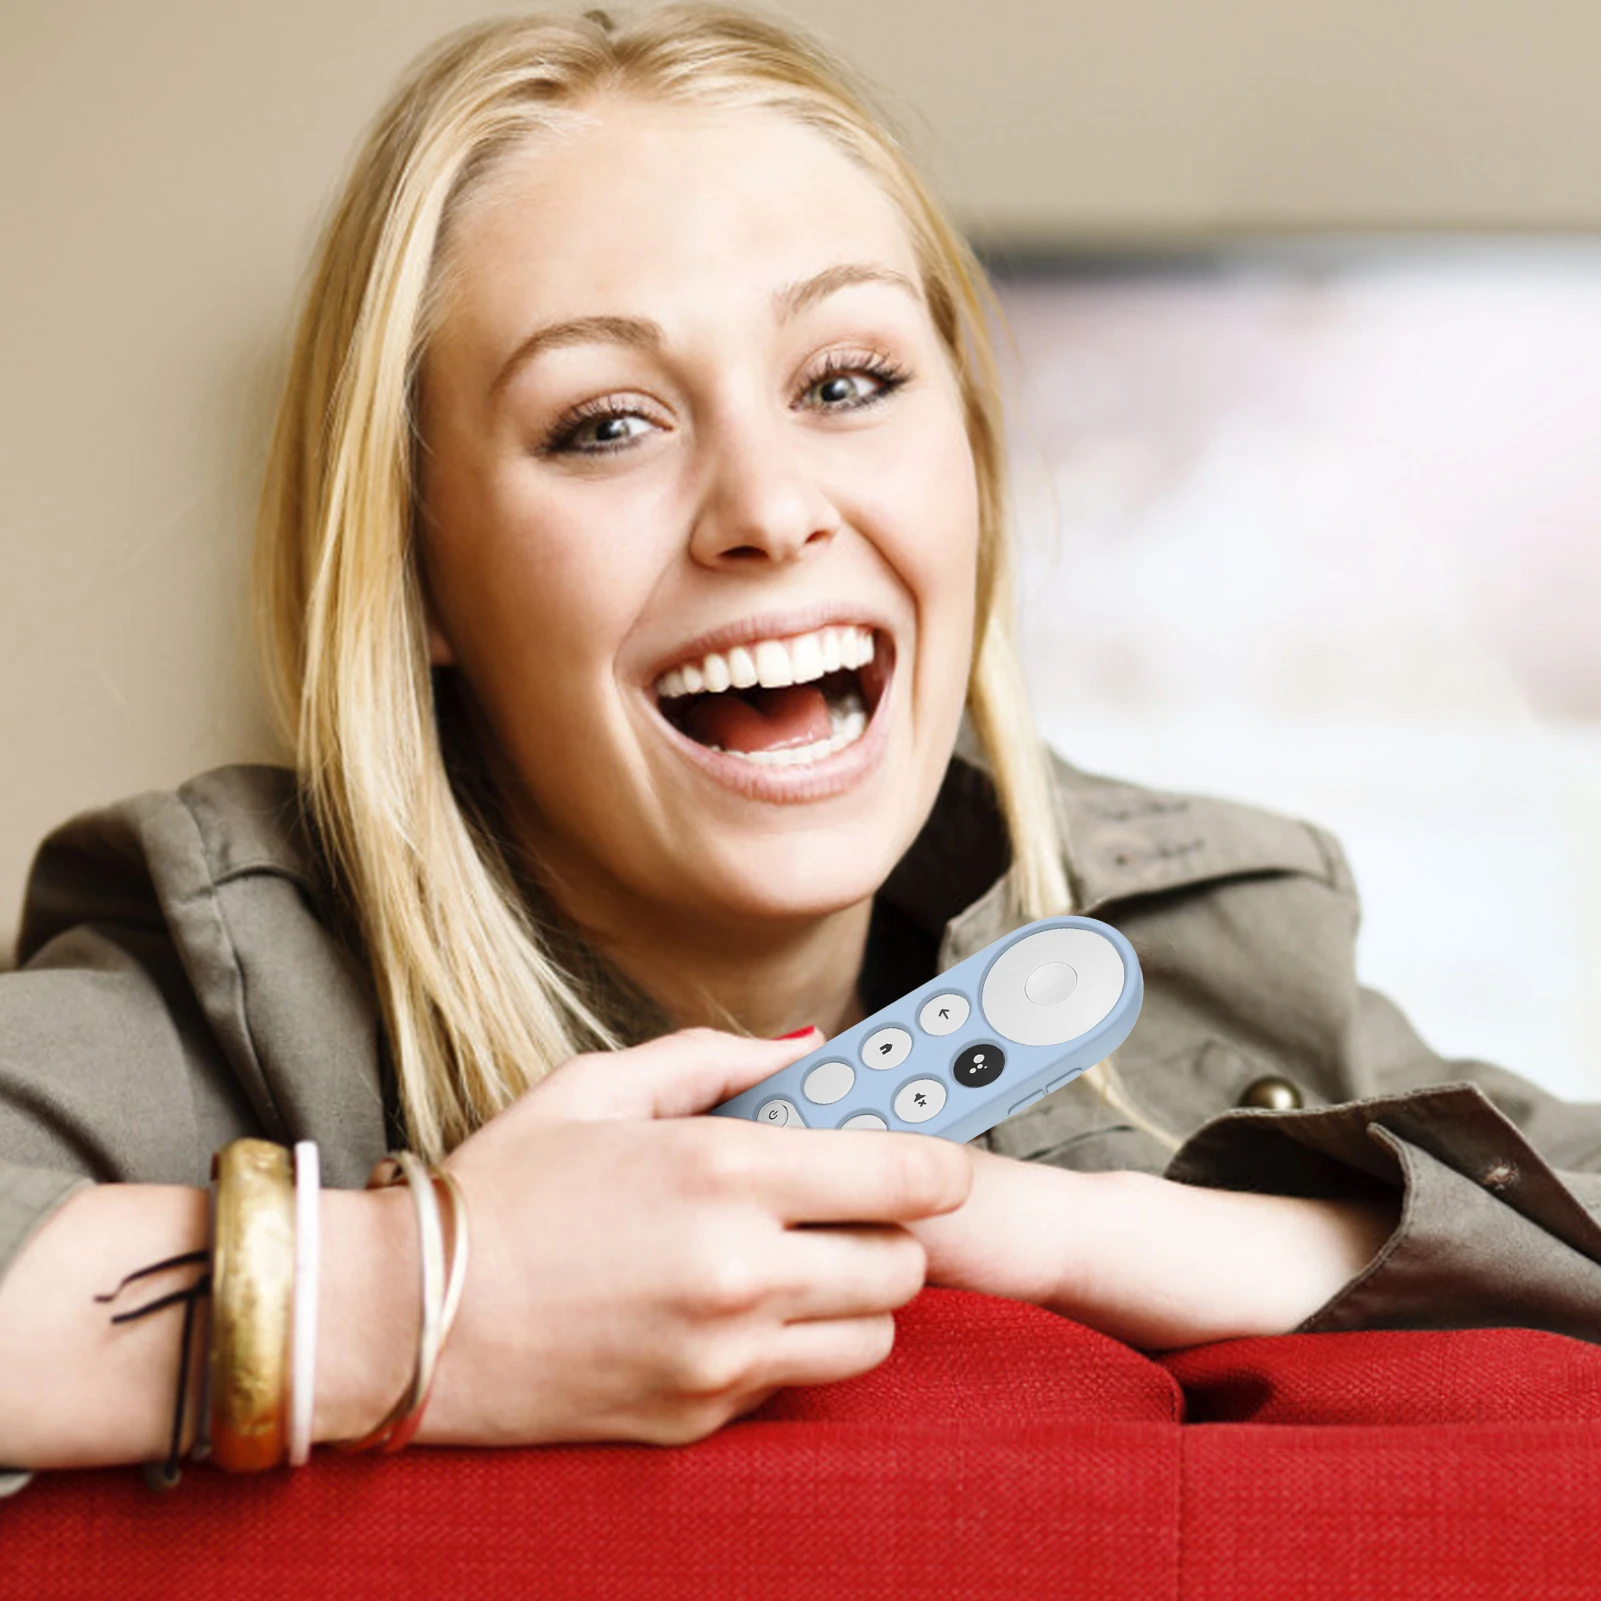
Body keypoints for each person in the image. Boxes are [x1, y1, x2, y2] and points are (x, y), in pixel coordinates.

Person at [2, 3, 1598, 1487]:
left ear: (971, 465)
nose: (767, 508)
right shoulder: (237, 976)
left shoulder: (1206, 934)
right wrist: (426, 1292)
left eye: (845, 382)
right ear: (419, 571)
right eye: (605, 424)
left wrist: (1093, 1237)